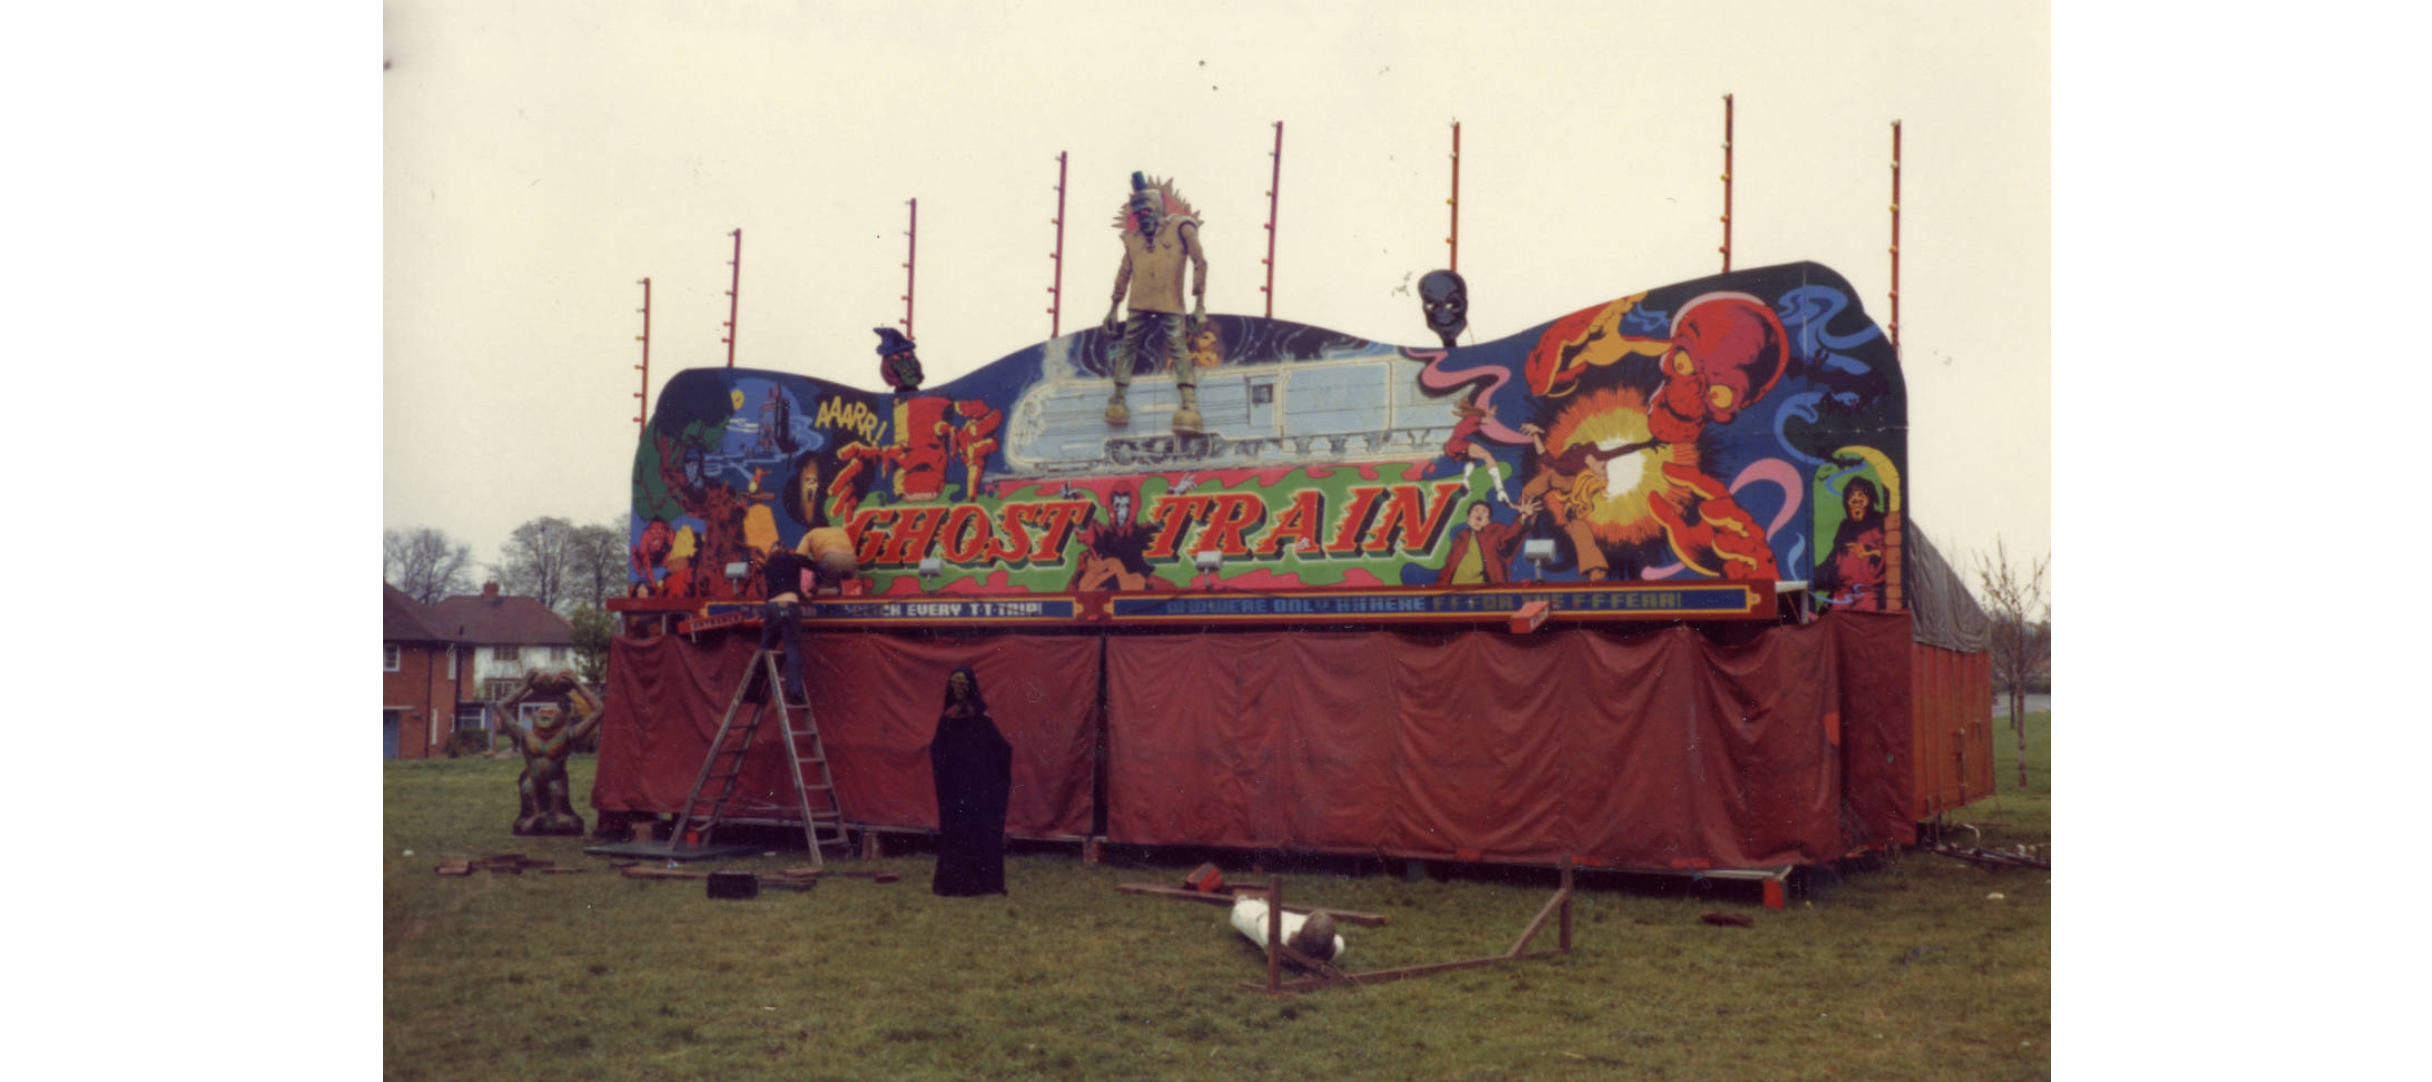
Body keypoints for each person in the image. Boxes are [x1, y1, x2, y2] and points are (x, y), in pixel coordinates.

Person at [1101, 172, 1209, 433]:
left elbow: (1199, 262)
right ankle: (1117, 400)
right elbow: (1124, 273)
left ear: (1158, 208)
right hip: (1139, 301)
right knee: (1128, 347)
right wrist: (1113, 308)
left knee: (1178, 348)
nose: (1142, 217)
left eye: (1146, 211)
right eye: (1138, 213)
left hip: (1170, 301)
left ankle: (1189, 404)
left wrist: (1199, 304)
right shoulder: (1133, 239)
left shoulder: (1181, 227)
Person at [928, 666, 1011, 896]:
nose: (958, 688)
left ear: (970, 686)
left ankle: (981, 883)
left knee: (979, 831)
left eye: (962, 684)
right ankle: (955, 883)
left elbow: (1001, 750)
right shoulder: (947, 720)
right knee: (956, 832)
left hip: (978, 790)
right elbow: (937, 752)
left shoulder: (982, 720)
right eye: (954, 684)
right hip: (955, 789)